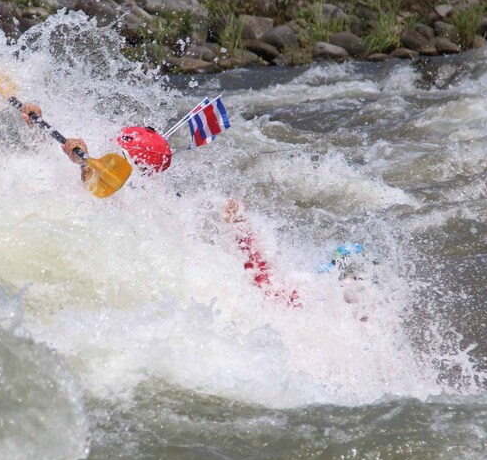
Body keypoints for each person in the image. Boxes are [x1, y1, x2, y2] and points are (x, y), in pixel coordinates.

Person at [20, 102, 302, 308]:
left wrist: (81, 162)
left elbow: (97, 190)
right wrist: (38, 125)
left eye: (117, 151)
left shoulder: (149, 204)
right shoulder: (164, 205)